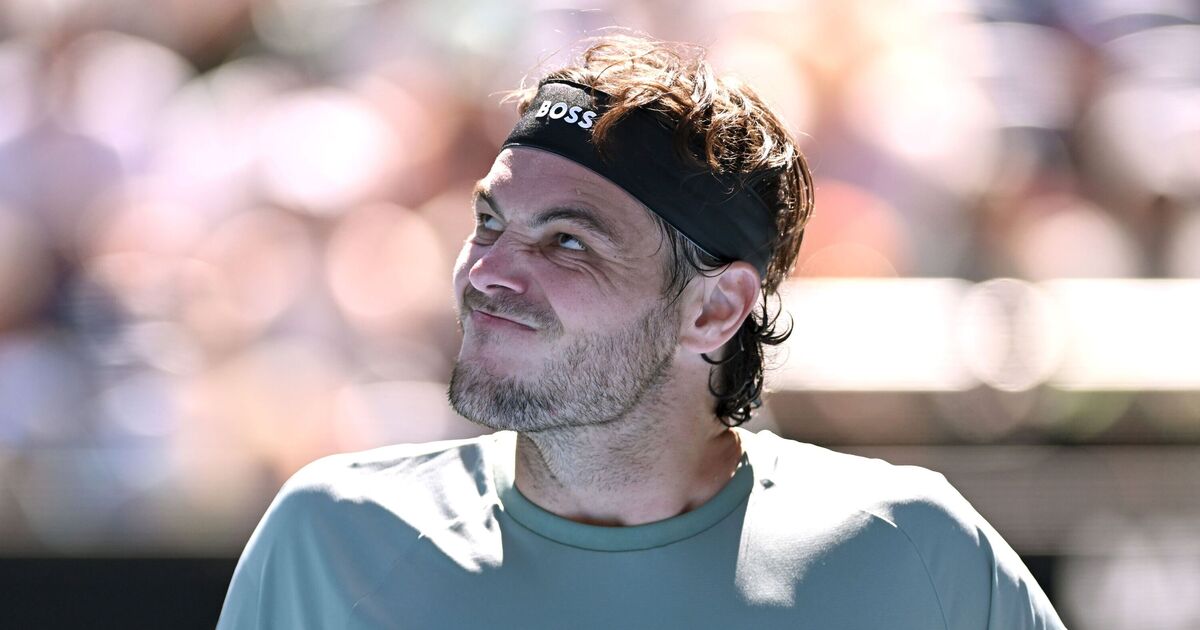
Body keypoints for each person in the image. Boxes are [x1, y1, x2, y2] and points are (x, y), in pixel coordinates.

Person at [217, 34, 1066, 629]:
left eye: (568, 242)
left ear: (714, 310)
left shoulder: (914, 552)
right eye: (488, 222)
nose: (486, 274)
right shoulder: (327, 539)